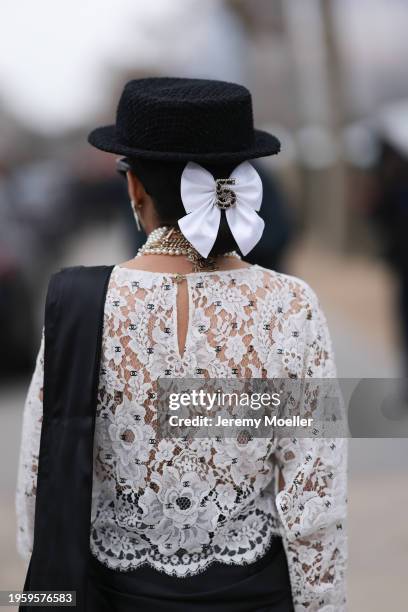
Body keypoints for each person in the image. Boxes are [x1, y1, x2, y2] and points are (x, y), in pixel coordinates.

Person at [16, 78, 347, 611]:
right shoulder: (291, 305)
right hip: (255, 597)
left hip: (114, 595)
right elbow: (316, 496)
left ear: (135, 189)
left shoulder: (78, 304)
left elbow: (42, 478)